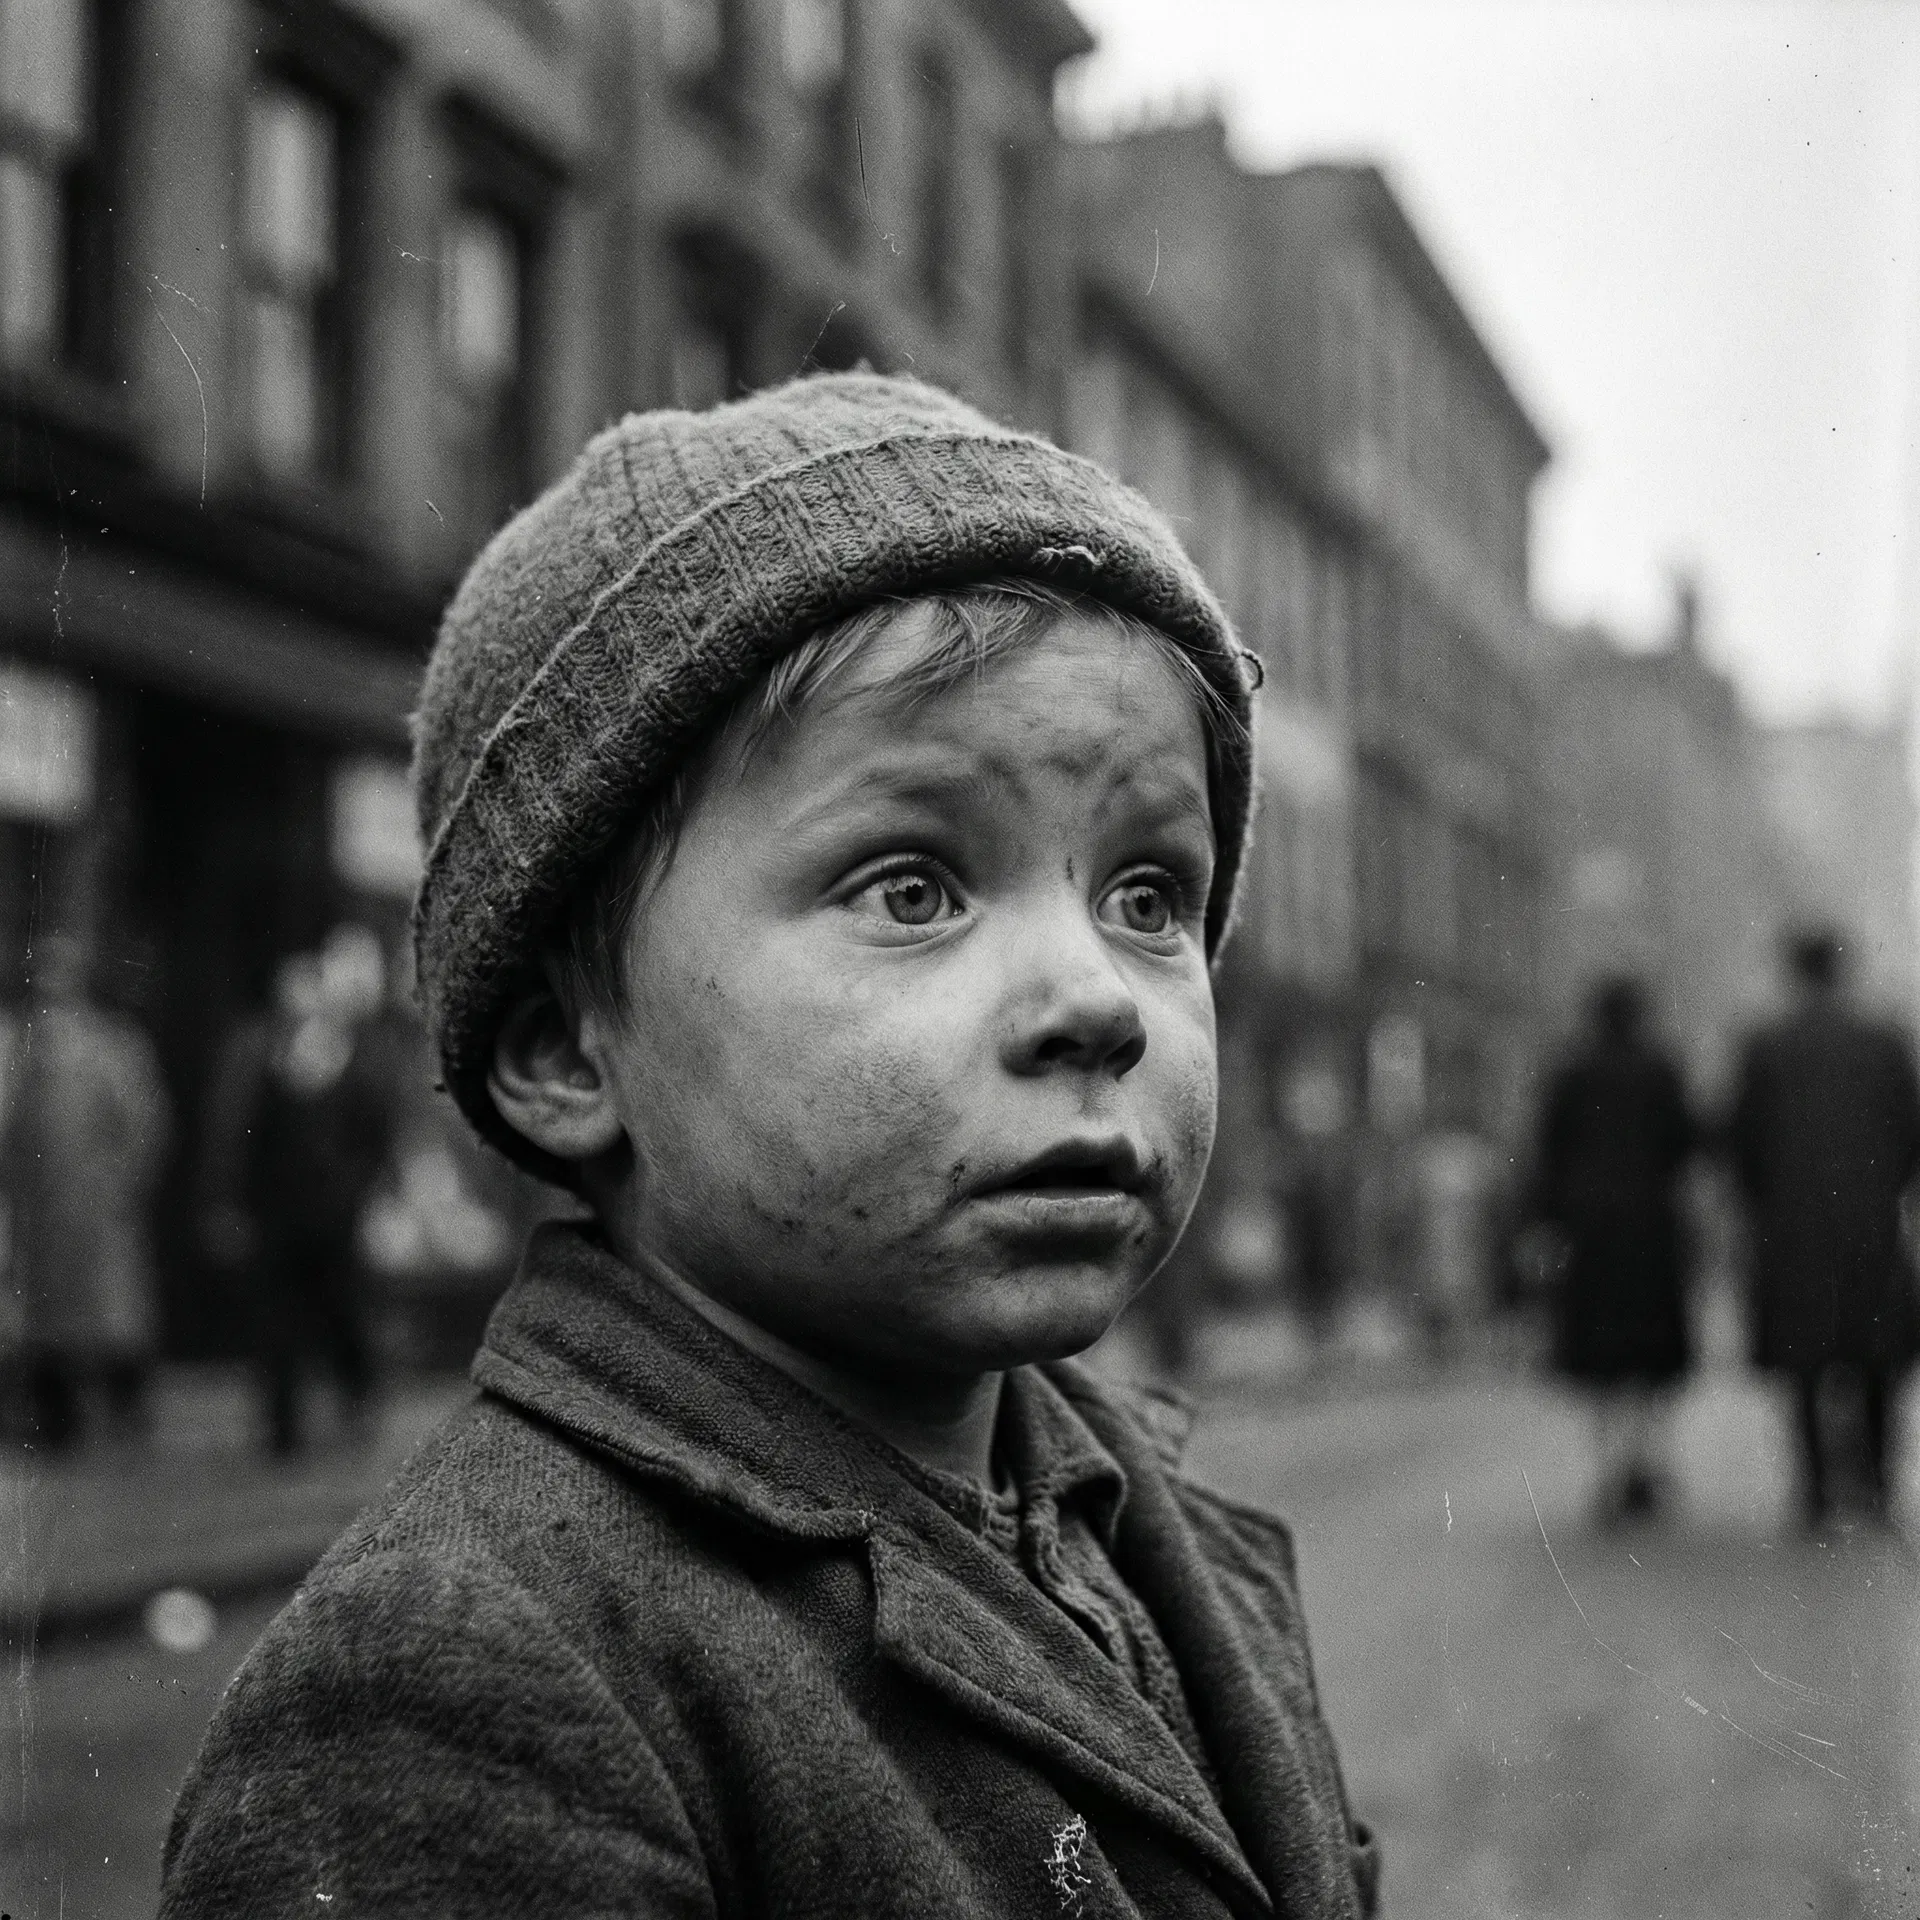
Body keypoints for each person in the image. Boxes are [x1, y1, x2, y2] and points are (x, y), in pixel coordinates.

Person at [161, 374, 1380, 1917]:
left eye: (1148, 896)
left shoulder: (1154, 1542)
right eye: (911, 887)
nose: (1095, 999)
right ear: (564, 1050)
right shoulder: (452, 1695)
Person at [1730, 928, 1920, 1530]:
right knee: (1878, 1353)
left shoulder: (1766, 1046)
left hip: (1793, 1224)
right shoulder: (1884, 1041)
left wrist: (1765, 1201)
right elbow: (1912, 1130)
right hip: (1869, 1218)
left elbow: (1743, 1141)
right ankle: (1877, 1484)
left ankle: (1814, 1487)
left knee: (1803, 1357)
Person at [200, 924, 396, 1456]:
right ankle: (281, 1426)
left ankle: (356, 1388)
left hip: (334, 1214)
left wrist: (357, 1190)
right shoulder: (261, 1055)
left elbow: (374, 1131)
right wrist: (230, 1201)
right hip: (279, 1212)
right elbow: (239, 1135)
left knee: (339, 1310)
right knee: (277, 1320)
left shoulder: (355, 1055)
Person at [1534, 977, 1696, 1523]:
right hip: (1650, 1228)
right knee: (1650, 1354)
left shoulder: (1570, 1074)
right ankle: (1644, 1460)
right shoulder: (1661, 1070)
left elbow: (1548, 1154)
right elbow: (1683, 1143)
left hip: (1591, 1233)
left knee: (1602, 1356)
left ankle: (1609, 1467)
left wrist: (1546, 1221)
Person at [1, 933, 170, 1452]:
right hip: (38, 1205)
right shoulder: (15, 1046)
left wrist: (124, 1181)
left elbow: (144, 1121)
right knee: (44, 1315)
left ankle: (125, 1403)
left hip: (97, 1202)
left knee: (112, 1309)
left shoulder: (113, 1045)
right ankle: (55, 1415)